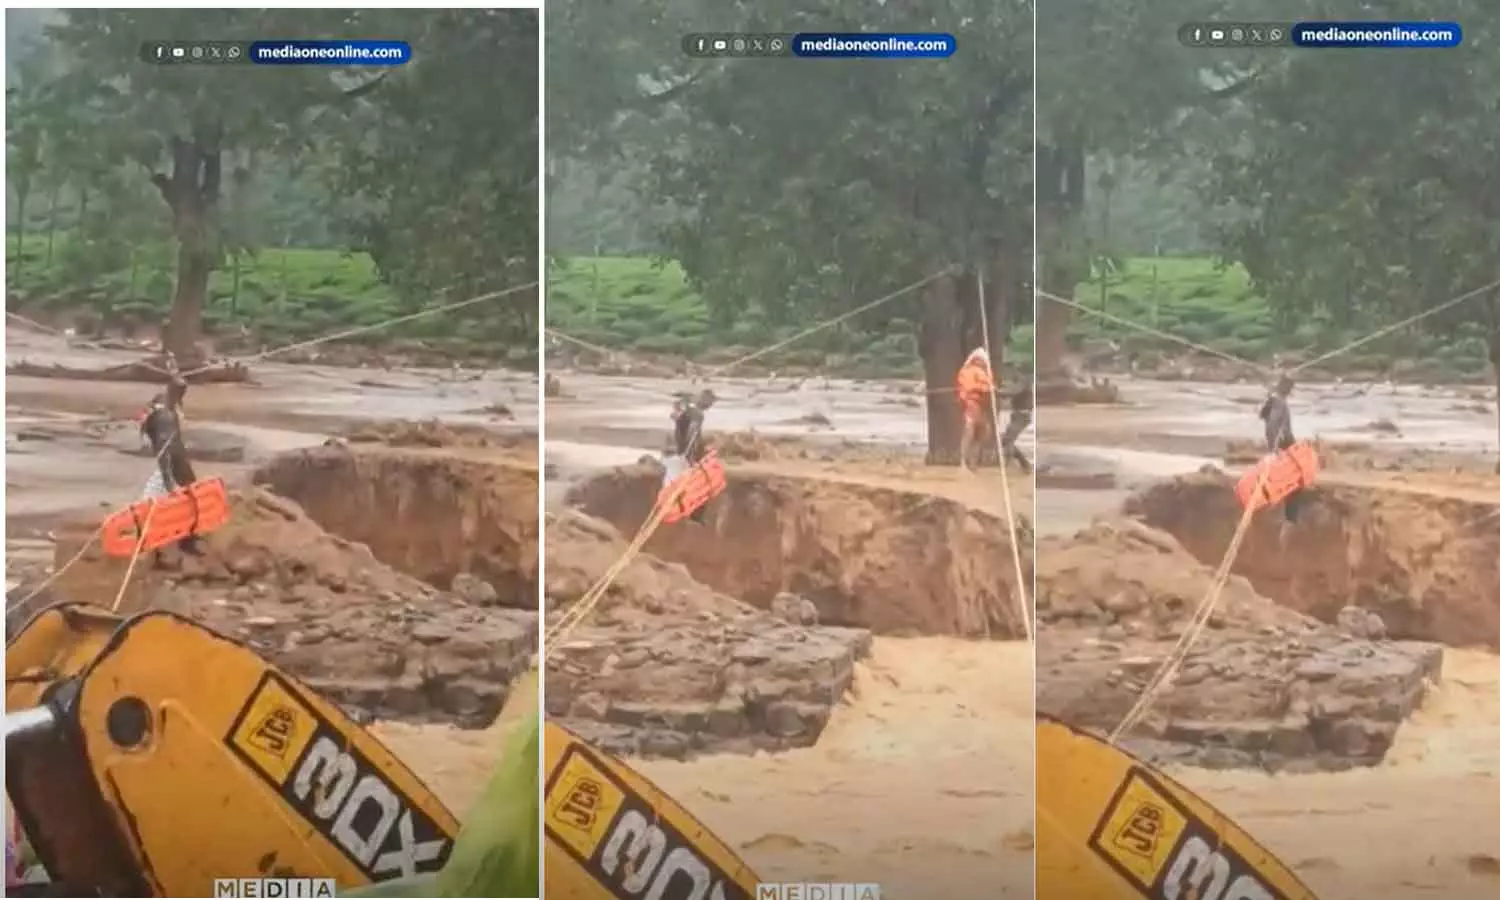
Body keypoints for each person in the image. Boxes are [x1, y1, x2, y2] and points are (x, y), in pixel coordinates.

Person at [139, 359, 202, 556]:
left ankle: (186, 539)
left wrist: (174, 371)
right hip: (170, 464)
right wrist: (169, 482)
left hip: (178, 459)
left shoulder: (169, 407)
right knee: (157, 503)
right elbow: (163, 452)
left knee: (189, 498)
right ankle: (151, 542)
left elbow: (179, 386)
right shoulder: (163, 417)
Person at [1258, 373, 1302, 545]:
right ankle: (1289, 522)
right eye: (1289, 387)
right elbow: (1272, 426)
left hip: (1284, 445)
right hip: (1283, 446)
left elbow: (1265, 418)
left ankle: (1285, 518)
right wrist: (1274, 449)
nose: (1290, 391)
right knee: (1295, 482)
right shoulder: (1279, 404)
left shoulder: (1273, 401)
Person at [666, 389, 717, 524]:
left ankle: (689, 512)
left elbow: (681, 428)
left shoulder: (689, 412)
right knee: (701, 484)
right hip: (686, 455)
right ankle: (693, 514)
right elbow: (691, 436)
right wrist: (690, 457)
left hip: (680, 453)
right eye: (710, 403)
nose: (710, 406)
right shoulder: (697, 415)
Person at [956, 347, 995, 471]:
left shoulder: (986, 372)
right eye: (979, 359)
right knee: (969, 431)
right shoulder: (966, 371)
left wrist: (991, 388)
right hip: (970, 403)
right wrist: (984, 388)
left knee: (983, 433)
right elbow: (968, 387)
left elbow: (990, 386)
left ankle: (973, 462)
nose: (981, 362)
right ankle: (963, 462)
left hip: (982, 406)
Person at [1001, 382, 1033, 473]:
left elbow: (1012, 391)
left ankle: (1012, 464)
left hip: (1021, 416)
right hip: (1019, 415)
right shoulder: (1023, 389)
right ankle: (1023, 464)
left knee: (1007, 440)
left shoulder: (1024, 388)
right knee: (1006, 440)